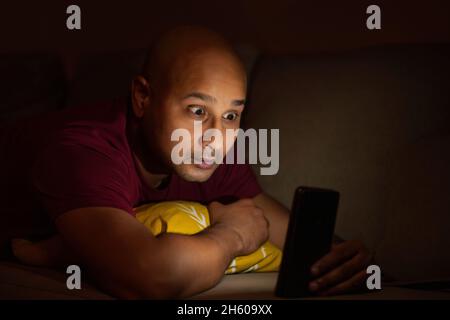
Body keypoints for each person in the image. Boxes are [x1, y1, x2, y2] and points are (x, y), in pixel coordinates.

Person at [0, 26, 372, 299]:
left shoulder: (209, 150)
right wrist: (234, 236)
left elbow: (299, 241)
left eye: (231, 116)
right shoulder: (85, 152)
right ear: (143, 97)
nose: (216, 135)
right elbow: (152, 278)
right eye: (197, 110)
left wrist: (344, 257)